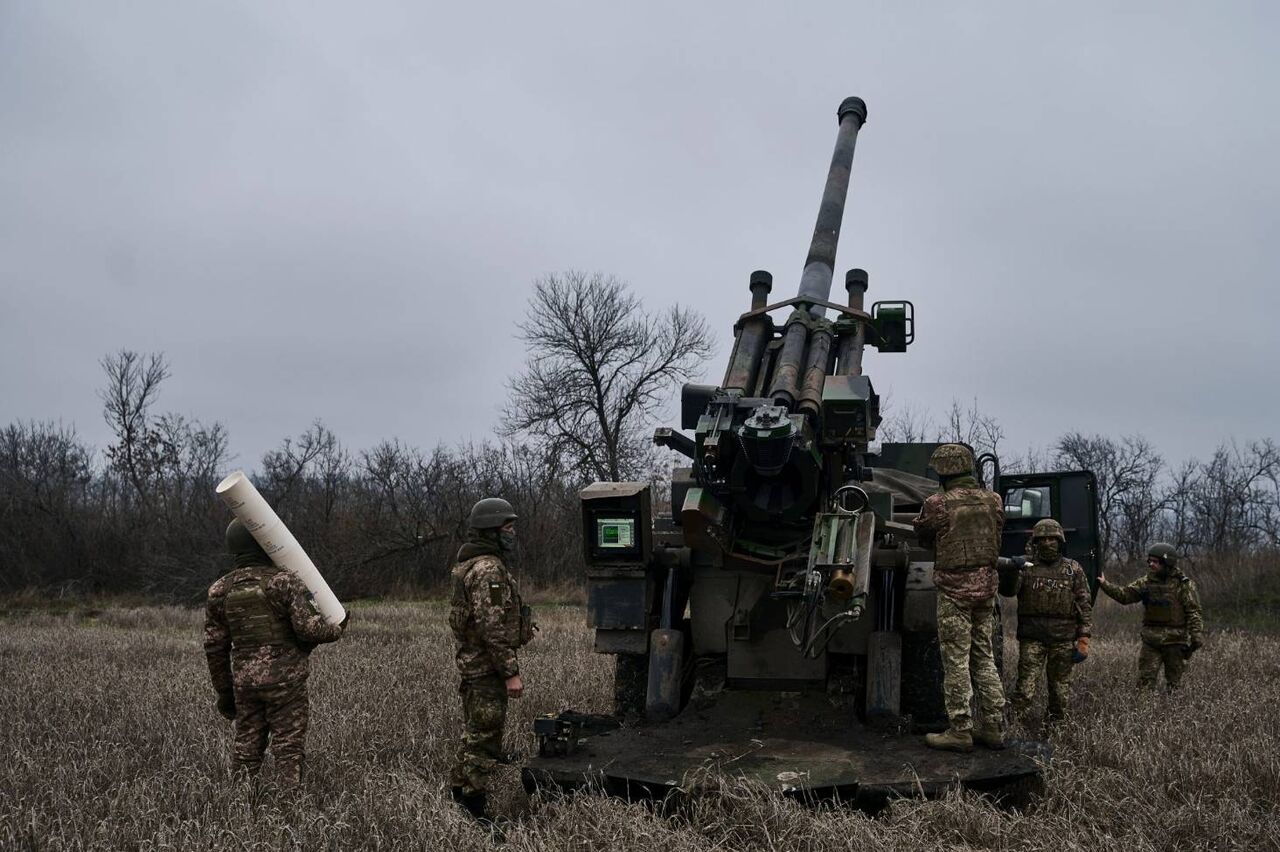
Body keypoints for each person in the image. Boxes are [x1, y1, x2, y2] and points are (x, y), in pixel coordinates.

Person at [204, 519, 348, 785]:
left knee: (246, 750)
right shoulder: (284, 582)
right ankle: (287, 814)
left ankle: (238, 810)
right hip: (286, 683)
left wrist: (225, 692)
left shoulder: (219, 590)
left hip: (245, 685)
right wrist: (337, 630)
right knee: (288, 748)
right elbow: (309, 630)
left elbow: (214, 647)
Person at [912, 443, 1007, 752]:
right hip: (986, 590)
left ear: (942, 472)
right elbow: (997, 536)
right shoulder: (993, 500)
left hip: (954, 591)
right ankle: (994, 726)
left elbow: (924, 536)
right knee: (984, 657)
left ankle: (960, 730)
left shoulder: (937, 503)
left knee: (955, 659)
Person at [449, 497, 535, 829]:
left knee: (474, 734)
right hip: (486, 668)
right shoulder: (488, 570)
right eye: (508, 527)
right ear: (492, 531)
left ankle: (458, 795)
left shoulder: (472, 564)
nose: (512, 533)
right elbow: (493, 628)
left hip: (474, 666)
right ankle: (475, 810)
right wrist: (511, 673)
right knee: (485, 738)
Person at [1005, 518, 1092, 729]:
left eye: (1052, 538)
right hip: (1032, 638)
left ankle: (1055, 729)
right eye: (1042, 539)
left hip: (1062, 639)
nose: (1047, 543)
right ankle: (1013, 728)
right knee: (1024, 690)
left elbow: (1084, 604)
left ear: (1060, 540)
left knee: (1060, 691)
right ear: (1035, 542)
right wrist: (1012, 569)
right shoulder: (1026, 566)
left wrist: (1084, 638)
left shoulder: (1073, 569)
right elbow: (1008, 591)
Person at [1098, 542, 1203, 690]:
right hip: (1151, 641)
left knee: (1174, 685)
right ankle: (1144, 711)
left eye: (1156, 561)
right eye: (1150, 561)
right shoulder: (1146, 582)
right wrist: (1104, 584)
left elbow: (1193, 611)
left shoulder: (1183, 585)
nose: (1151, 564)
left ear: (1167, 562)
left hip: (1175, 642)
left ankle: (1172, 712)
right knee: (1144, 684)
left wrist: (1196, 634)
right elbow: (1125, 596)